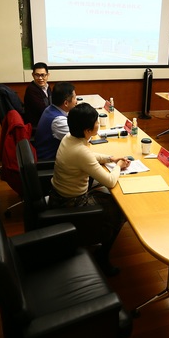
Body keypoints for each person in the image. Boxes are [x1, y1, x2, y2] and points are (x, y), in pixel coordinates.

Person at [48, 103, 130, 276]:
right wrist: (119, 166)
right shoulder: (80, 151)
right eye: (96, 122)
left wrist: (110, 158)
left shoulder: (69, 138)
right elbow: (110, 181)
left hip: (59, 195)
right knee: (120, 210)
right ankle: (102, 256)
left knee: (104, 194)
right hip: (72, 204)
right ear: (87, 130)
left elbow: (89, 156)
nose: (98, 124)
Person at [33, 82, 77, 160]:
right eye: (75, 98)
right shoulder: (58, 121)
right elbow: (78, 139)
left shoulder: (50, 108)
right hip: (50, 160)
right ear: (66, 103)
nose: (76, 102)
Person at [23, 62, 52, 128]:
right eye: (37, 75)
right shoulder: (31, 90)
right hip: (37, 125)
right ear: (33, 75)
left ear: (48, 75)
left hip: (46, 120)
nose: (40, 78)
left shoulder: (47, 86)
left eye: (43, 75)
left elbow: (51, 104)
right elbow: (43, 110)